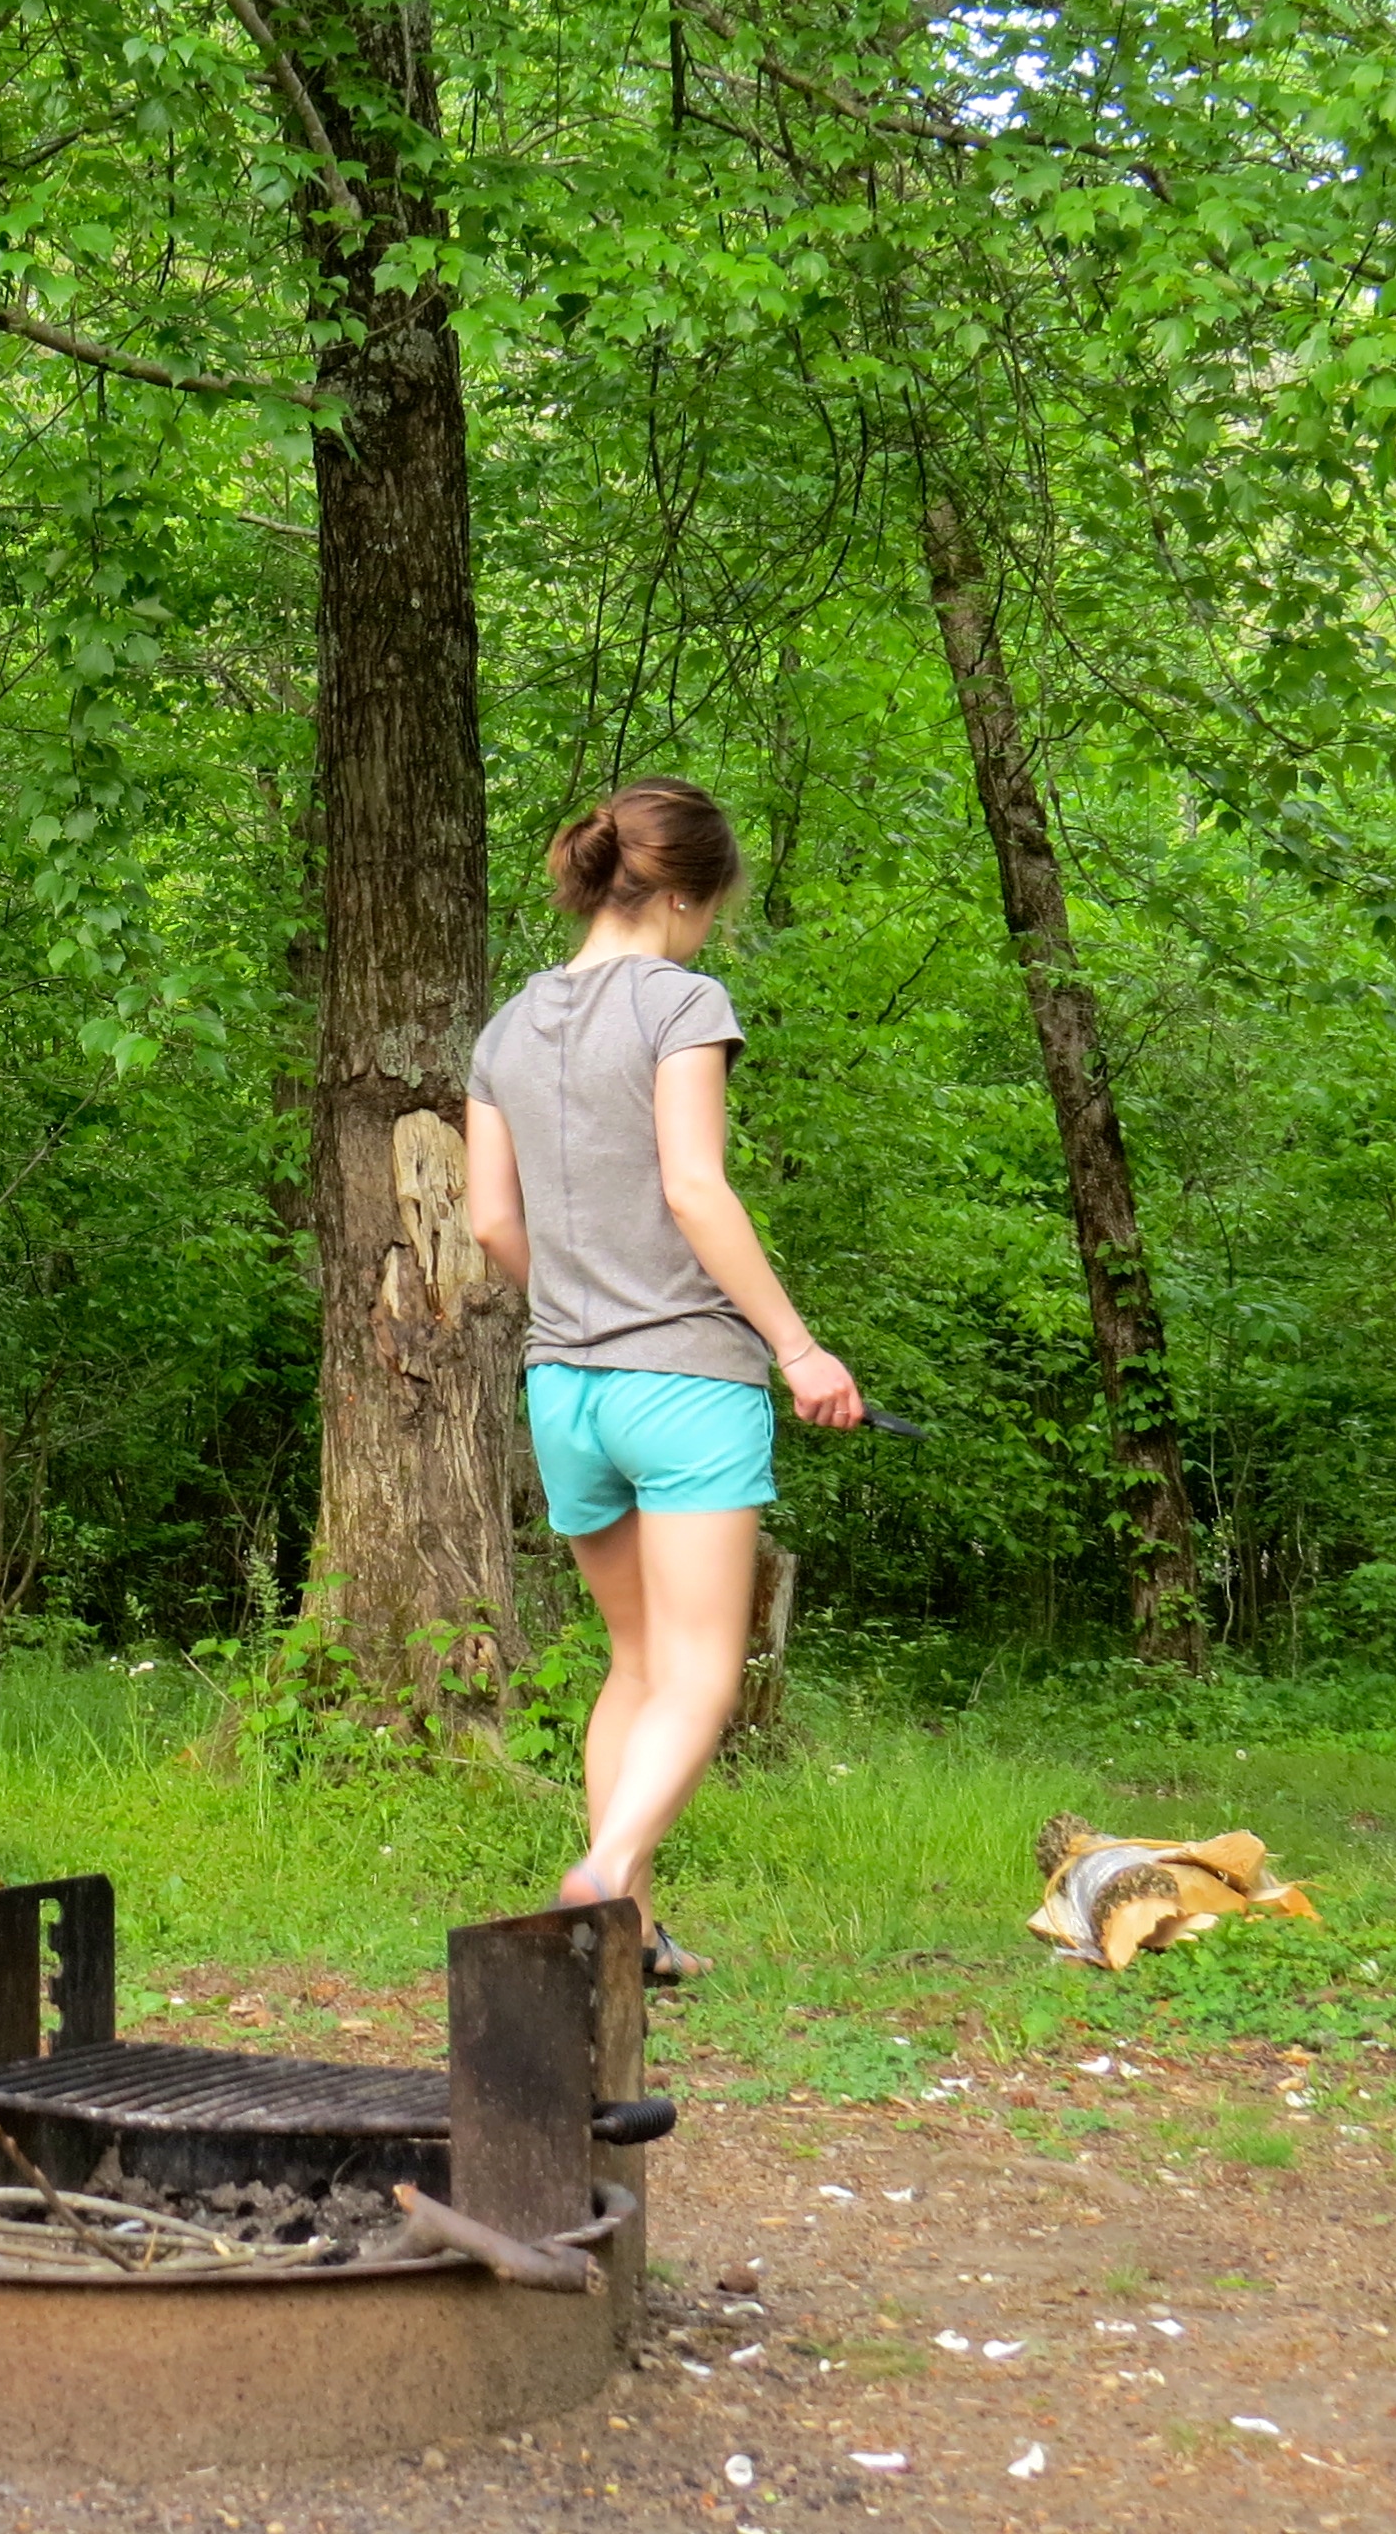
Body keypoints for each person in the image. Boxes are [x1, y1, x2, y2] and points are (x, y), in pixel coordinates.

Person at [464, 777, 860, 1982]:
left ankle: (622, 1934)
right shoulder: (682, 1002)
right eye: (713, 910)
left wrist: (577, 1309)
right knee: (699, 1673)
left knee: (634, 1666)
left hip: (563, 1390)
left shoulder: (504, 1029)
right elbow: (694, 1187)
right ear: (683, 895)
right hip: (683, 1383)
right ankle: (600, 1876)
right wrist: (797, 1348)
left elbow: (490, 1224)